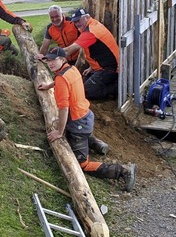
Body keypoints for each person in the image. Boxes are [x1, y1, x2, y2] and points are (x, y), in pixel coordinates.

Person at [37, 47, 136, 191]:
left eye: (54, 60)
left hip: (78, 123)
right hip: (86, 115)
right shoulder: (71, 69)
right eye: (48, 60)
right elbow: (62, 80)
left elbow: (63, 109)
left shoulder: (61, 79)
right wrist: (49, 85)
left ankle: (123, 170)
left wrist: (59, 131)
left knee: (83, 164)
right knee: (81, 134)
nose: (50, 63)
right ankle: (97, 144)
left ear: (63, 59)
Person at [63, 8, 119, 100]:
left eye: (78, 20)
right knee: (80, 84)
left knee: (85, 92)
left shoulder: (90, 32)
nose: (77, 24)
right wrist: (91, 67)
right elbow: (98, 51)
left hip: (109, 69)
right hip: (103, 66)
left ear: (86, 17)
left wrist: (53, 55)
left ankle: (115, 88)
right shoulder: (92, 25)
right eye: (75, 22)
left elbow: (69, 51)